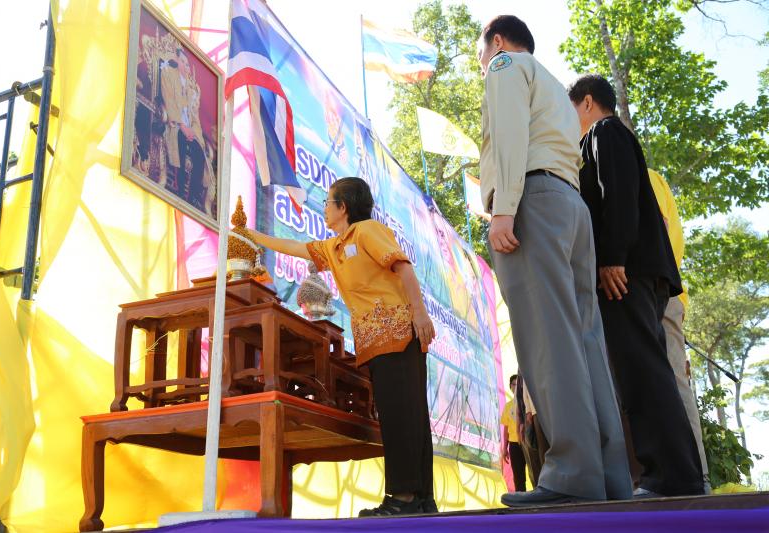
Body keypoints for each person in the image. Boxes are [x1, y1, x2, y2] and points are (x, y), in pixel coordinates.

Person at [478, 16, 632, 507]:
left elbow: (508, 134)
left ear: (497, 41)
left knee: (548, 340)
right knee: (585, 341)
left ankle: (571, 474)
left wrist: (504, 207)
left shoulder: (505, 65)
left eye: (482, 53)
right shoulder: (555, 89)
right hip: (571, 208)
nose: (483, 63)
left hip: (533, 202)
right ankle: (609, 477)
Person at [247, 177, 437, 516]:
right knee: (401, 416)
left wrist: (420, 314)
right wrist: (251, 235)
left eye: (327, 202)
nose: (324, 208)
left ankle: (404, 498)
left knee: (404, 416)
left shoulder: (366, 231)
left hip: (398, 334)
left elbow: (403, 268)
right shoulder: (334, 248)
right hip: (376, 342)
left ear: (343, 207)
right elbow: (294, 246)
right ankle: (420, 500)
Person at [568, 73, 704, 497]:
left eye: (570, 110)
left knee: (644, 374)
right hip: (638, 271)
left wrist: (613, 257)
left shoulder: (605, 133)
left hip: (628, 272)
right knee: (645, 371)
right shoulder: (607, 137)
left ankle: (670, 477)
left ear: (586, 102)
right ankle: (678, 474)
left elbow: (619, 195)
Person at [648, 168, 710, 493]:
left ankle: (697, 478)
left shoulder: (644, 176)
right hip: (652, 292)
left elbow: (657, 229)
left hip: (657, 291)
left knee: (674, 379)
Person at [160, 48, 207, 209]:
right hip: (175, 125)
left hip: (189, 130)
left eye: (187, 64)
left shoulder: (190, 88)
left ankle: (193, 196)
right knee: (179, 142)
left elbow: (194, 116)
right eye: (183, 62)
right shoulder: (168, 74)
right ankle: (179, 190)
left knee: (200, 154)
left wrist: (193, 132)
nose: (186, 66)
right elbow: (169, 101)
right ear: (177, 60)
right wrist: (182, 126)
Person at [501, 375, 527, 492]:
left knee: (534, 471)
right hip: (514, 444)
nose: (516, 387)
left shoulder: (527, 403)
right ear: (510, 387)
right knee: (518, 475)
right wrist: (504, 448)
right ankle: (521, 498)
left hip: (527, 442)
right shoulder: (508, 406)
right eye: (513, 384)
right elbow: (505, 429)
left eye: (518, 384)